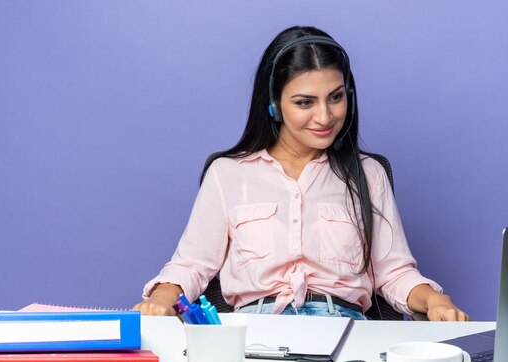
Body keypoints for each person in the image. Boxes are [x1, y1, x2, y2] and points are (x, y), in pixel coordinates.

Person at [134, 26, 470, 321]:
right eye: (305, 102)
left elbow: (394, 273)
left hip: (345, 329)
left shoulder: (369, 175)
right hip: (254, 329)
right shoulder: (227, 174)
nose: (325, 117)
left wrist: (435, 299)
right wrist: (163, 296)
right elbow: (191, 265)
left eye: (336, 98)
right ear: (273, 103)